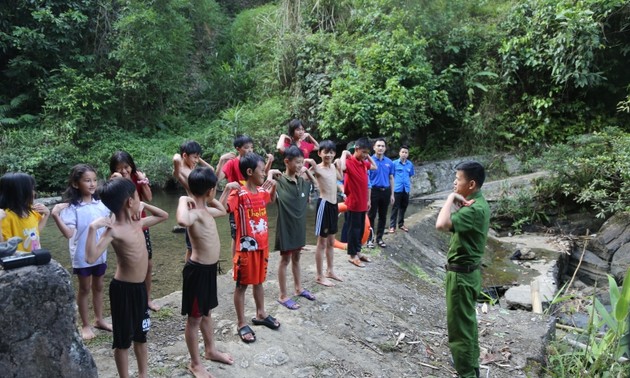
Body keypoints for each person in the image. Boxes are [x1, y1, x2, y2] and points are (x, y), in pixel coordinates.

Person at [86, 178, 168, 378]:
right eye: (137, 196)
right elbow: (90, 257)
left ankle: (143, 374)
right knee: (122, 340)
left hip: (140, 289)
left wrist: (142, 204)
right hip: (122, 290)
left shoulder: (138, 222)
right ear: (130, 201)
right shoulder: (113, 230)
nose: (140, 200)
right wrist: (91, 229)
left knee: (141, 335)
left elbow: (164, 215)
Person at [176, 167, 234, 376]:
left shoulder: (205, 211)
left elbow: (223, 210)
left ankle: (210, 350)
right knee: (194, 319)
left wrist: (208, 199)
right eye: (215, 190)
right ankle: (195, 363)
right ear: (210, 190)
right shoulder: (193, 214)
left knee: (206, 313)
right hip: (197, 272)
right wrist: (184, 200)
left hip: (208, 271)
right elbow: (182, 221)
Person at [435, 161, 490, 378]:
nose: (454, 183)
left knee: (460, 329)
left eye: (458, 179)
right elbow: (453, 224)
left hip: (461, 276)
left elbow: (440, 224)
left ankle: (467, 373)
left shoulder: (474, 210)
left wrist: (450, 199)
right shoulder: (477, 204)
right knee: (467, 323)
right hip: (467, 273)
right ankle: (470, 364)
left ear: (471, 184)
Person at [220, 152, 279, 343]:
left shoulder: (262, 192)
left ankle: (261, 314)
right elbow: (221, 210)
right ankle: (240, 322)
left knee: (259, 281)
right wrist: (226, 190)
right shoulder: (238, 193)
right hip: (245, 249)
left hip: (262, 247)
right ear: (249, 171)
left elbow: (271, 199)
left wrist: (275, 187)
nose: (264, 173)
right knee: (242, 285)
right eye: (262, 170)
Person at [50, 164, 112, 340]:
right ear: (76, 184)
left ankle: (99, 319)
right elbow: (68, 233)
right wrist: (55, 216)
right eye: (87, 181)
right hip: (82, 255)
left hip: (100, 252)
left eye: (94, 180)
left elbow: (111, 221)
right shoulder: (72, 208)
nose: (92, 184)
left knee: (99, 286)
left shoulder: (101, 203)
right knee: (85, 288)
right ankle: (85, 324)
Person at [109, 151, 160, 312]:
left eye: (126, 167)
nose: (124, 171)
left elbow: (149, 198)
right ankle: (133, 299)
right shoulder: (114, 184)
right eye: (120, 168)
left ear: (131, 166)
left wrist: (142, 181)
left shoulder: (137, 179)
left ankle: (147, 298)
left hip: (141, 225)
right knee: (128, 263)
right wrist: (122, 181)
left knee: (148, 263)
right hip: (124, 227)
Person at [269, 146, 315, 310]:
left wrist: (307, 172)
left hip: (299, 226)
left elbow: (316, 187)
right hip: (286, 227)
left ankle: (298, 288)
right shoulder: (280, 181)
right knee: (285, 259)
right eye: (297, 162)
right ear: (287, 161)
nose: (300, 165)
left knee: (297, 257)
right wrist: (270, 175)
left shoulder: (302, 182)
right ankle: (282, 295)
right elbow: (269, 197)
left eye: (302, 162)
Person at [305, 140, 344, 286]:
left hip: (334, 205)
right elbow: (304, 176)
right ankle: (319, 275)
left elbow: (340, 178)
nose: (329, 154)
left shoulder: (333, 167)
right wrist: (308, 169)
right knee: (321, 242)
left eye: (332, 152)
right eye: (326, 152)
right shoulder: (317, 168)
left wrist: (339, 164)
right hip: (324, 205)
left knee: (331, 241)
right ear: (320, 153)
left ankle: (330, 270)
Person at [173, 140, 216, 262]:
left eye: (198, 157)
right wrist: (182, 157)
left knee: (200, 243)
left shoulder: (194, 169)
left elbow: (211, 169)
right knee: (191, 246)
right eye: (194, 157)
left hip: (202, 208)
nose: (196, 160)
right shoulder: (180, 171)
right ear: (185, 155)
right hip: (193, 210)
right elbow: (176, 160)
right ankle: (188, 269)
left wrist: (197, 159)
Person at [339, 138, 376, 268]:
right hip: (353, 203)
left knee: (360, 229)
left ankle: (358, 252)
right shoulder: (349, 162)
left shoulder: (363, 163)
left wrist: (368, 156)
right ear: (356, 149)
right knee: (353, 230)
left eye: (367, 153)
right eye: (363, 152)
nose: (365, 155)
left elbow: (374, 167)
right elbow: (341, 168)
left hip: (362, 203)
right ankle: (352, 256)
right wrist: (344, 153)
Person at [0, 172, 49, 251]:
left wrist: (46, 215)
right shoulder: (6, 216)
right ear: (21, 193)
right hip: (19, 260)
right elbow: (3, 246)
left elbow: (35, 232)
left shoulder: (31, 211)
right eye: (32, 189)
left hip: (34, 256)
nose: (34, 193)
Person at [367, 138, 394, 248]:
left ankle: (380, 238)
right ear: (374, 147)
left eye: (382, 146)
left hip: (385, 191)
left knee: (383, 216)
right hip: (373, 191)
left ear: (385, 148)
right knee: (371, 216)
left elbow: (391, 178)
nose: (380, 148)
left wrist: (392, 194)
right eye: (378, 146)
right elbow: (366, 178)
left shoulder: (389, 162)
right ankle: (369, 239)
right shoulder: (369, 161)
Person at [389, 145, 415, 233]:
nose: (404, 154)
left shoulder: (410, 164)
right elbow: (391, 176)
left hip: (406, 189)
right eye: (402, 152)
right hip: (397, 189)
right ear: (399, 153)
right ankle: (392, 226)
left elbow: (410, 174)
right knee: (395, 207)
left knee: (403, 207)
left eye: (406, 152)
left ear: (408, 154)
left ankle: (401, 224)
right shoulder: (394, 163)